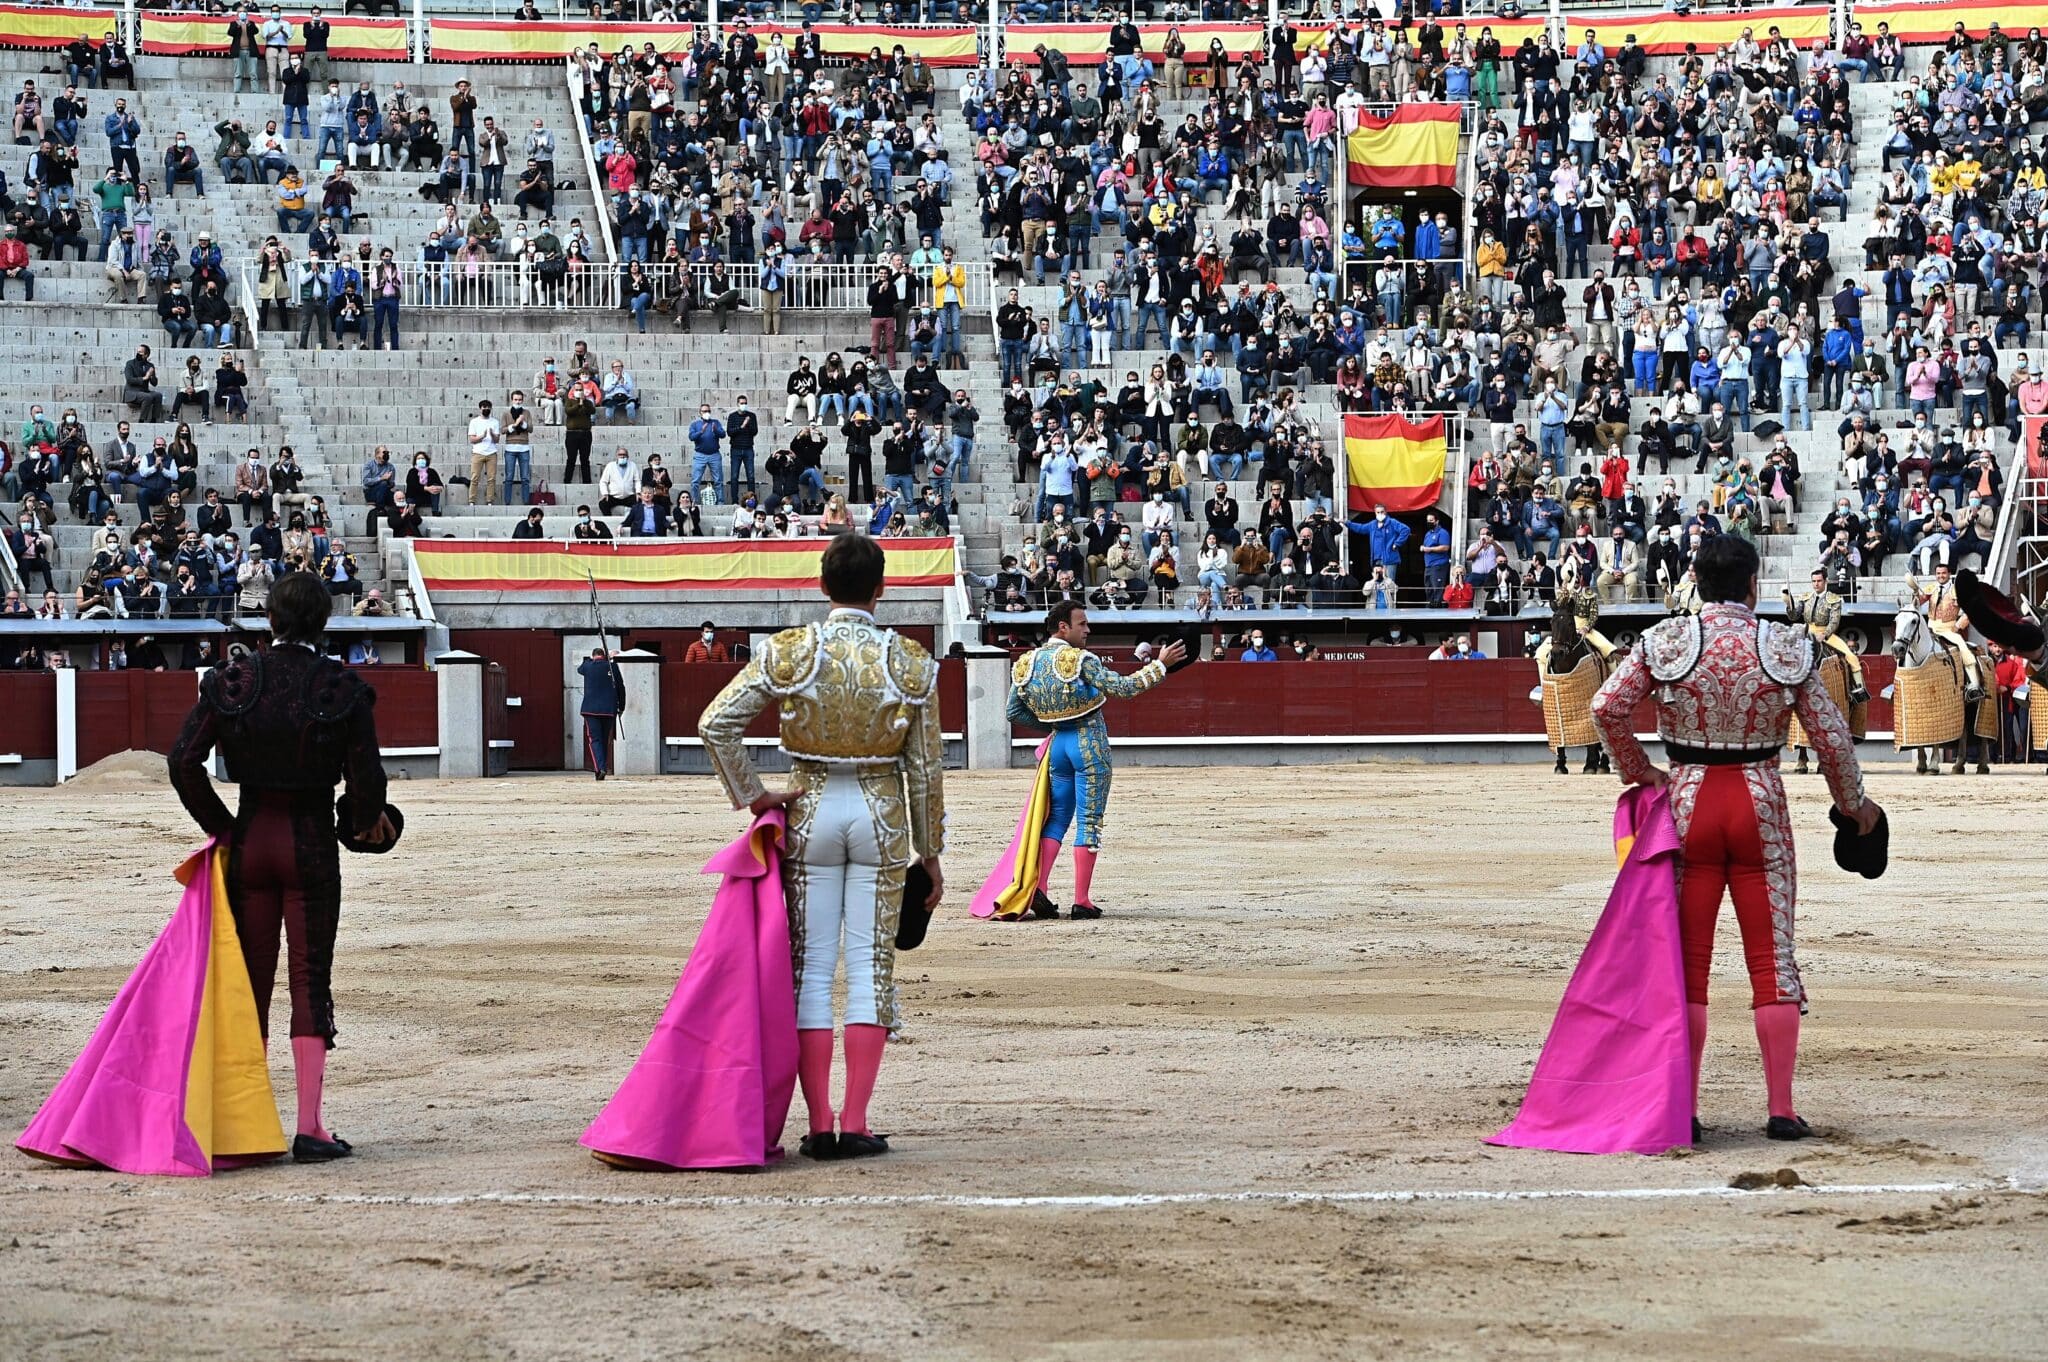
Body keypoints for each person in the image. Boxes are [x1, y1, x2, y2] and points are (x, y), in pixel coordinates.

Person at [1590, 536, 1879, 1143]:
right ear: (1754, 584)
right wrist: (1854, 809)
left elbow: (1606, 707)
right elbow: (1831, 738)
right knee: (1772, 960)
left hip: (1689, 801)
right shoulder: (1785, 644)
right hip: (1760, 801)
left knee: (1688, 965)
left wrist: (1641, 773)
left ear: (1695, 579)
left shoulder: (1666, 640)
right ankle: (1779, 1109)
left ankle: (1684, 1111)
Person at [697, 534, 946, 1161]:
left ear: (821, 583)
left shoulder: (791, 651)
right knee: (870, 969)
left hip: (807, 807)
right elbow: (924, 769)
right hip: (881, 815)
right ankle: (854, 1121)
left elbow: (714, 723)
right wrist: (931, 852)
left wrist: (755, 796)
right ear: (882, 587)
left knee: (809, 974)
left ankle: (817, 1126)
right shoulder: (911, 662)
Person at [166, 573, 395, 1163]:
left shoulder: (234, 680)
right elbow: (367, 780)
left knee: (251, 982)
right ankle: (311, 1127)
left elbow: (183, 762)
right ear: (323, 624)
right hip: (311, 841)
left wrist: (223, 830)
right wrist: (358, 823)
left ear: (271, 620)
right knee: (308, 976)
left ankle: (246, 1125)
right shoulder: (339, 686)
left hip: (251, 840)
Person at [996, 602, 1184, 920]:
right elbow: (1124, 688)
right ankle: (1081, 900)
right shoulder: (1080, 659)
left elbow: (1013, 712)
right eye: (1082, 623)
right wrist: (1160, 666)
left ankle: (1039, 888)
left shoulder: (1026, 663)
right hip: (1088, 743)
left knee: (1055, 821)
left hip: (1058, 747)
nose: (1088, 629)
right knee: (1089, 822)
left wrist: (1053, 722)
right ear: (1062, 628)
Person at [1783, 570, 1868, 704]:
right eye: (1814, 581)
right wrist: (1789, 605)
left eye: (1819, 581)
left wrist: (1824, 634)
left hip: (1826, 634)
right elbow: (1794, 616)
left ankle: (1858, 689)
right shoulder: (1805, 598)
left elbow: (1834, 621)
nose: (1816, 584)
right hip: (1806, 631)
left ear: (1825, 581)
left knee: (1851, 656)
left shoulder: (1834, 599)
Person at [576, 643, 625, 779]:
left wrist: (589, 660)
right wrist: (621, 707)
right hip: (609, 709)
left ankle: (600, 768)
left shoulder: (588, 665)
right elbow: (621, 687)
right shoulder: (613, 667)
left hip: (590, 710)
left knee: (595, 740)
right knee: (604, 740)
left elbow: (580, 669)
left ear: (593, 656)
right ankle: (603, 766)